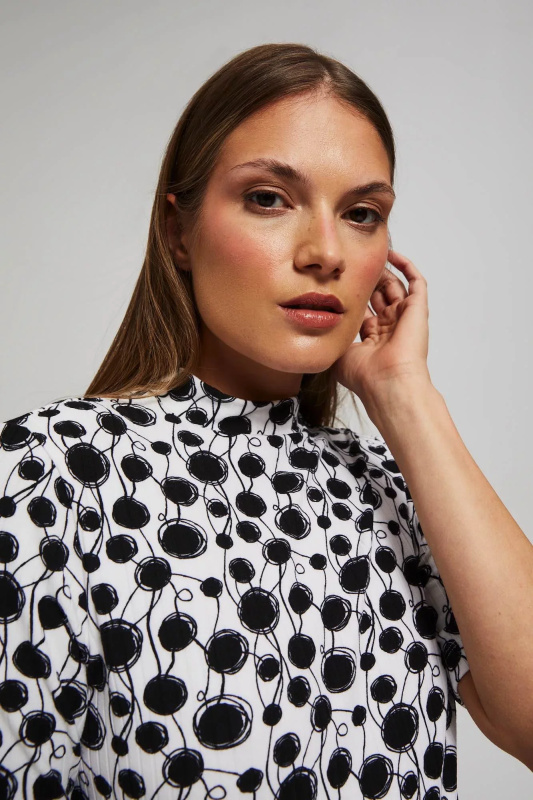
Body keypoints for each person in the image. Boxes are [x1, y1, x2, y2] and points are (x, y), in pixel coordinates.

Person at [0, 42, 531, 800]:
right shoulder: (51, 470)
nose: (325, 253)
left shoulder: (394, 488)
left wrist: (406, 397)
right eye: (268, 198)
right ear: (178, 232)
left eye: (361, 214)